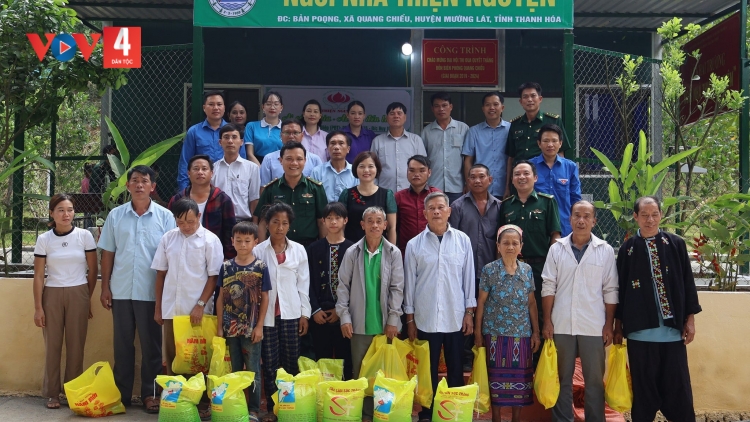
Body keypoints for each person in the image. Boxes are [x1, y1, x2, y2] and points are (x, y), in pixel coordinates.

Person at [614, 196, 702, 422]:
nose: (649, 220)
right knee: (643, 392)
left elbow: (687, 284)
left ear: (661, 215)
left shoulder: (676, 244)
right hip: (639, 333)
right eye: (644, 215)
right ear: (635, 217)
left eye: (654, 214)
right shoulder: (627, 249)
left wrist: (689, 320)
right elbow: (619, 289)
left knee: (678, 389)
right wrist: (618, 325)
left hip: (673, 333)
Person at [97, 165, 176, 413]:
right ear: (128, 186)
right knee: (122, 345)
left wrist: (165, 295)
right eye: (134, 181)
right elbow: (108, 253)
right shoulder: (116, 216)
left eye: (144, 181)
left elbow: (170, 258)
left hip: (151, 292)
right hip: (120, 291)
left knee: (151, 346)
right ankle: (121, 394)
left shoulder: (165, 217)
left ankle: (150, 394)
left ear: (153, 187)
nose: (139, 185)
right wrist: (105, 287)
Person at [541, 200, 618, 422]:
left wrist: (608, 325)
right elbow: (548, 285)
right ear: (570, 218)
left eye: (586, 216)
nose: (581, 220)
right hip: (562, 323)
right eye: (577, 215)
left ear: (594, 221)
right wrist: (547, 321)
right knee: (562, 378)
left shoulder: (604, 250)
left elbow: (610, 289)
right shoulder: (557, 249)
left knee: (593, 381)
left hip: (593, 324)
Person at [404, 191, 476, 422]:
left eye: (440, 207)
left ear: (449, 211)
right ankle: (427, 412)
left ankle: (454, 411)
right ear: (424, 213)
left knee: (455, 369)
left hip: (455, 316)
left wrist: (468, 313)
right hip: (425, 317)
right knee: (428, 370)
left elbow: (468, 279)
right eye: (431, 208)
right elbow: (409, 284)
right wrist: (411, 319)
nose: (436, 211)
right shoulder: (414, 245)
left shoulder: (462, 240)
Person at [152, 197, 224, 420]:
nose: (186, 227)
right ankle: (177, 403)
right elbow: (160, 274)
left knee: (198, 357)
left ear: (199, 217)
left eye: (191, 222)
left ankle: (201, 403)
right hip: (172, 309)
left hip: (198, 311)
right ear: (175, 220)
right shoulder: (168, 239)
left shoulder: (210, 241)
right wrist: (158, 308)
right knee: (174, 357)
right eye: (181, 222)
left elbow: (214, 277)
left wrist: (200, 305)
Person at [336, 206, 404, 421]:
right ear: (362, 225)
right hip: (358, 325)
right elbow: (342, 286)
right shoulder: (352, 252)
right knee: (361, 373)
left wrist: (394, 319)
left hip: (385, 326)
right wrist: (344, 317)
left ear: (385, 225)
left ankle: (382, 415)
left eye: (379, 221)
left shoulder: (394, 252)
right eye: (370, 221)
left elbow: (397, 288)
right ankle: (364, 415)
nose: (374, 225)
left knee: (384, 375)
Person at [33, 194, 98, 409]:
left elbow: (93, 269)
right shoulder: (44, 239)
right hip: (51, 294)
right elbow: (39, 275)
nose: (66, 214)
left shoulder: (84, 236)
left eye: (70, 209)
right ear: (52, 213)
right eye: (60, 210)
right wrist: (38, 308)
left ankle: (73, 391)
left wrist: (87, 297)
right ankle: (52, 393)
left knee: (76, 346)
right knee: (52, 345)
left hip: (78, 292)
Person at [498, 160, 561, 365]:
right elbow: (499, 239)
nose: (521, 177)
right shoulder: (506, 205)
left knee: (542, 313)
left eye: (526, 173)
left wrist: (553, 266)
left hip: (540, 266)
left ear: (535, 177)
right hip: (513, 267)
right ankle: (519, 360)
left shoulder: (547, 202)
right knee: (516, 310)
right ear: (512, 179)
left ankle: (541, 362)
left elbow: (555, 235)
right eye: (517, 174)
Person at [474, 225, 540, 422]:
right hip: (495, 335)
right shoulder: (489, 270)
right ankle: (496, 418)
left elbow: (531, 303)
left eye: (514, 243)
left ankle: (516, 419)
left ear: (521, 246)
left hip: (521, 335)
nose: (510, 247)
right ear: (498, 246)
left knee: (520, 382)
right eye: (506, 243)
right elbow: (482, 302)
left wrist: (536, 332)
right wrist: (478, 332)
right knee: (496, 383)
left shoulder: (527, 270)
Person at [252, 202, 311, 419]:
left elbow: (303, 284)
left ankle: (288, 407)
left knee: (291, 362)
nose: (279, 227)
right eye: (275, 222)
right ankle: (270, 409)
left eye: (284, 223)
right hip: (266, 317)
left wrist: (305, 314)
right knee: (269, 363)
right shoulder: (258, 250)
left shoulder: (299, 250)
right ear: (267, 224)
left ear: (289, 226)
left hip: (291, 314)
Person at [449, 163, 502, 369]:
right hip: (465, 272)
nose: (477, 181)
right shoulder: (458, 206)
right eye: (473, 177)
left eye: (482, 176)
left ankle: (489, 358)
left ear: (490, 180)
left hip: (491, 272)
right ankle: (466, 360)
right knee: (466, 315)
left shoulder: (499, 206)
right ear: (467, 181)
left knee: (489, 315)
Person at [217, 221, 270, 422]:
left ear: (255, 242)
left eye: (247, 241)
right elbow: (221, 297)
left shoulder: (260, 267)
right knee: (236, 369)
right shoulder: (226, 266)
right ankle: (236, 406)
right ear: (232, 241)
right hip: (230, 328)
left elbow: (265, 297)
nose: (242, 244)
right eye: (238, 240)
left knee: (254, 369)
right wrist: (220, 326)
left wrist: (259, 326)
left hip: (251, 328)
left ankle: (254, 409)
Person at [306, 203, 355, 379]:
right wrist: (315, 309)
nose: (333, 222)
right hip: (319, 315)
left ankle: (345, 398)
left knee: (345, 360)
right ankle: (324, 399)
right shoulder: (313, 249)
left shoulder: (353, 249)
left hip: (344, 315)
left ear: (345, 220)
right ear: (323, 221)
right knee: (322, 361)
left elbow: (355, 285)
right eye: (329, 218)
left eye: (337, 218)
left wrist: (341, 311)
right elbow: (307, 282)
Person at [254, 141, 328, 246]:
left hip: (308, 247)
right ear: (281, 160)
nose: (294, 163)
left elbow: (322, 222)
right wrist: (261, 251)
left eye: (299, 159)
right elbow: (262, 223)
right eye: (289, 159)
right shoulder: (271, 189)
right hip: (277, 247)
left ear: (305, 161)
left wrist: (322, 249)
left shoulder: (316, 188)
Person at [506, 82, 572, 197]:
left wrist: (559, 179)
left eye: (533, 96)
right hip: (520, 178)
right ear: (521, 102)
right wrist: (507, 187)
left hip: (543, 176)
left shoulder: (553, 121)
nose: (529, 100)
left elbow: (560, 152)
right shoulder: (515, 124)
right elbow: (511, 157)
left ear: (540, 99)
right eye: (525, 97)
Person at [169, 155, 237, 260]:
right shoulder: (177, 200)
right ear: (188, 173)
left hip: (214, 255)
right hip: (181, 255)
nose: (200, 172)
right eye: (196, 169)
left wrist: (228, 258)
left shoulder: (222, 199)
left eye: (204, 169)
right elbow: (170, 228)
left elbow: (230, 231)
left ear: (211, 173)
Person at [178, 91, 248, 191]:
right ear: (204, 108)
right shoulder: (194, 132)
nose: (216, 108)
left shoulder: (234, 131)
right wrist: (184, 190)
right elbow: (185, 162)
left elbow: (242, 160)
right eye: (211, 104)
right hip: (200, 185)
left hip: (229, 184)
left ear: (224, 108)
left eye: (219, 104)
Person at [530, 124, 582, 237]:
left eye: (554, 141)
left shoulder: (570, 167)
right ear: (539, 143)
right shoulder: (529, 166)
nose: (550, 144)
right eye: (546, 141)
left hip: (564, 225)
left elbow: (576, 198)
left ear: (560, 143)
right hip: (537, 224)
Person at [339, 151, 397, 245]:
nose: (366, 170)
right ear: (355, 169)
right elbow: (341, 226)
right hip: (351, 248)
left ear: (377, 169)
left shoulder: (387, 194)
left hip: (379, 249)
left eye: (370, 166)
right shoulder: (346, 194)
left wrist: (391, 252)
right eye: (361, 166)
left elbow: (391, 228)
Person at [422, 92, 469, 204]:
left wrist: (468, 183)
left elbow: (468, 158)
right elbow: (423, 161)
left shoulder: (463, 128)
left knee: (456, 219)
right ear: (432, 109)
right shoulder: (426, 132)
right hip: (433, 186)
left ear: (451, 107)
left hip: (457, 186)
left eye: (444, 105)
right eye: (437, 106)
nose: (441, 109)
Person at [462, 92, 511, 198]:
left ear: (502, 107)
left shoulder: (511, 130)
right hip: (480, 188)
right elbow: (468, 160)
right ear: (483, 108)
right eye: (488, 105)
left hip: (504, 188)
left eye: (495, 104)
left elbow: (512, 158)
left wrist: (509, 186)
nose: (491, 108)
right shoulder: (474, 131)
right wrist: (469, 183)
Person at [370, 102, 426, 192]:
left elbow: (423, 168)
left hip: (410, 193)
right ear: (387, 118)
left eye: (399, 113)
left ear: (405, 117)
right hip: (384, 192)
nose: (396, 116)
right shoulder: (377, 141)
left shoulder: (416, 140)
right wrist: (374, 191)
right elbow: (372, 168)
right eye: (392, 114)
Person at [212, 123, 261, 222]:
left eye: (234, 137)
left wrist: (254, 225)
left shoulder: (252, 168)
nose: (230, 141)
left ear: (241, 142)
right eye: (226, 137)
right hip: (218, 221)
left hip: (243, 221)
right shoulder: (213, 168)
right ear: (220, 142)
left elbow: (254, 198)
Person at [394, 155, 440, 255]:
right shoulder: (398, 197)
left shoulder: (437, 196)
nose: (416, 174)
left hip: (433, 252)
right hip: (406, 252)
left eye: (422, 170)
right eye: (412, 170)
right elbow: (393, 227)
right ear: (407, 172)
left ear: (429, 172)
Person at [259, 119, 323, 185]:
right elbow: (263, 187)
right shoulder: (269, 159)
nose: (291, 136)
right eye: (287, 133)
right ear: (281, 135)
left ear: (302, 135)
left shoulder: (314, 159)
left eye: (295, 133)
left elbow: (319, 187)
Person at [310, 131, 359, 203]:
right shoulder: (317, 171)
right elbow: (313, 197)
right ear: (327, 149)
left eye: (341, 143)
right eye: (333, 143)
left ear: (348, 149)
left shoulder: (355, 171)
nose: (336, 147)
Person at [245, 91, 284, 166]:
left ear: (281, 107)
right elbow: (249, 153)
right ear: (263, 107)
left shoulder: (286, 128)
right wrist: (261, 170)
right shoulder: (251, 126)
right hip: (256, 165)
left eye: (276, 104)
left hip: (280, 165)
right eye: (268, 104)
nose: (272, 107)